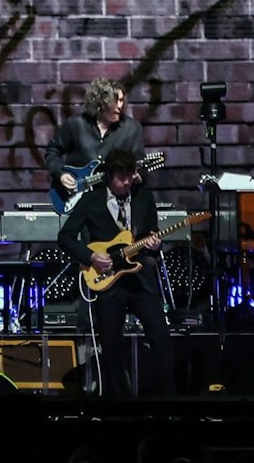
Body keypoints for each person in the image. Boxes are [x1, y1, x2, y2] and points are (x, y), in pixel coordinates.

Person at [56, 147, 177, 397]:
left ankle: (165, 401)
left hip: (140, 279)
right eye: (121, 177)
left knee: (161, 337)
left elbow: (151, 234)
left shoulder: (144, 197)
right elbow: (65, 237)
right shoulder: (91, 201)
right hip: (109, 281)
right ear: (109, 176)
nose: (126, 182)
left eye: (130, 176)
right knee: (110, 344)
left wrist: (155, 244)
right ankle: (117, 403)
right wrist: (90, 256)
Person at [46, 78, 145, 209]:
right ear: (100, 103)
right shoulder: (76, 124)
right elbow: (53, 151)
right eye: (115, 101)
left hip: (114, 205)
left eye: (121, 100)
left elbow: (141, 168)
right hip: (78, 204)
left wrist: (137, 177)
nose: (120, 106)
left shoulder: (132, 129)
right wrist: (61, 174)